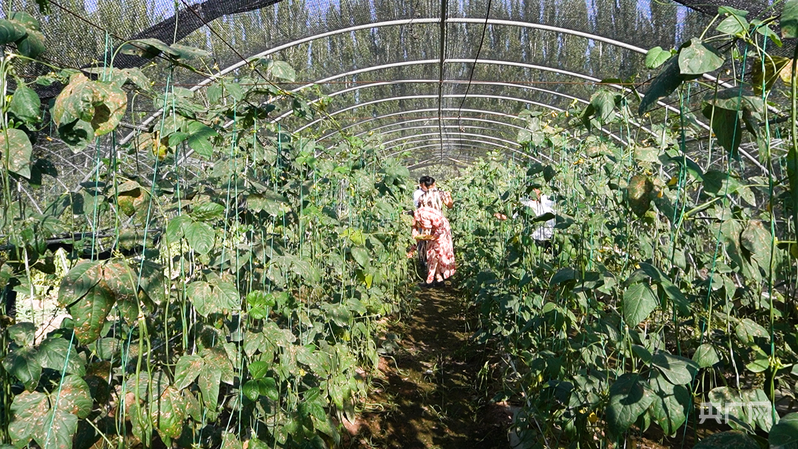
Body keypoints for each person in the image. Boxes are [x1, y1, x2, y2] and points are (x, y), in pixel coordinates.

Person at [412, 205, 456, 286]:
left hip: (442, 230)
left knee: (437, 252)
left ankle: (431, 280)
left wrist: (434, 236)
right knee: (431, 252)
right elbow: (414, 236)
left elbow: (440, 224)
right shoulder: (416, 219)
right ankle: (438, 279)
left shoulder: (423, 214)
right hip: (435, 230)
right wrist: (412, 250)